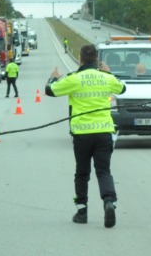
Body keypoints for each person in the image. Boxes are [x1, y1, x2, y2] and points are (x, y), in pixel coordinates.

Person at [45, 43, 126, 227]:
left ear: (80, 59)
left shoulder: (75, 78)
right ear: (97, 60)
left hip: (82, 134)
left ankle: (82, 212)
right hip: (104, 131)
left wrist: (53, 78)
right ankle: (108, 202)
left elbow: (49, 91)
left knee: (82, 173)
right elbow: (122, 89)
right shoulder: (105, 77)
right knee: (104, 171)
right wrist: (109, 72)